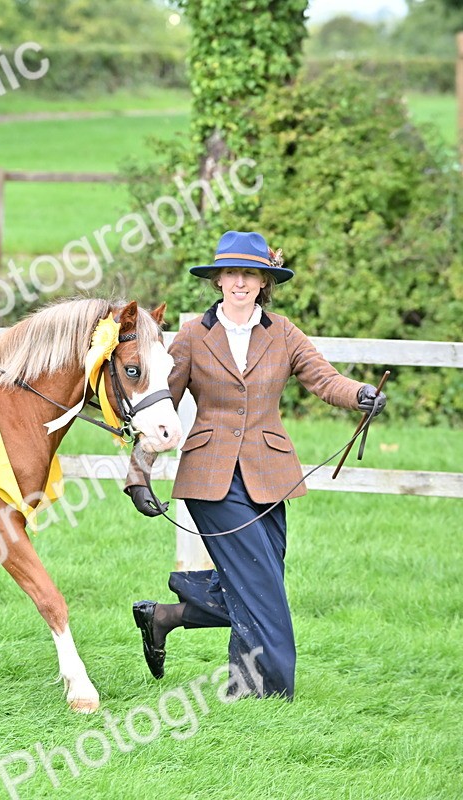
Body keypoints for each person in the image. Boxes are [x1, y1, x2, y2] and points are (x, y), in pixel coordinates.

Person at [125, 230, 387, 700]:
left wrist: (361, 395)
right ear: (219, 280)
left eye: (250, 274)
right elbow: (160, 406)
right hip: (211, 479)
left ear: (264, 280)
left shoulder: (283, 332)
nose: (240, 282)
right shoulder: (191, 337)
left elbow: (323, 379)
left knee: (256, 583)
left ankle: (166, 616)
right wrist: (138, 472)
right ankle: (267, 694)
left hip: (272, 477)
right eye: (232, 273)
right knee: (260, 583)